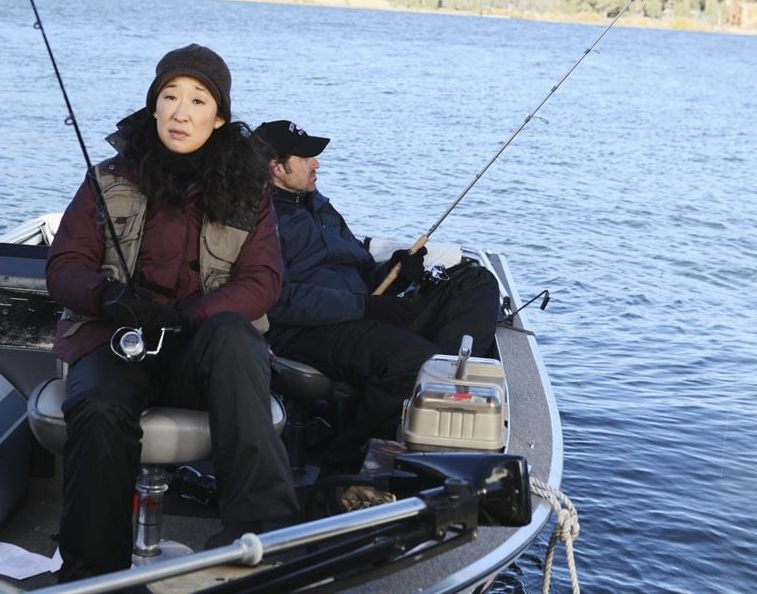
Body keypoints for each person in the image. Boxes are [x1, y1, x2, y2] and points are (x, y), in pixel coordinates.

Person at [46, 45, 297, 581]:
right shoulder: (108, 177)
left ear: (219, 116)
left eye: (198, 100)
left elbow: (262, 282)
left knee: (234, 337)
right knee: (96, 407)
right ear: (154, 107)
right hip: (116, 342)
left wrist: (191, 317)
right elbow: (65, 265)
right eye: (170, 97)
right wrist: (106, 297)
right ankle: (93, 576)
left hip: (198, 350)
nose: (181, 112)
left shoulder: (249, 190)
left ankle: (259, 540)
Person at [253, 119, 501, 473]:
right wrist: (365, 306)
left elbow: (360, 267)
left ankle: (442, 404)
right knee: (413, 360)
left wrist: (396, 273)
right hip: (309, 331)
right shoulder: (260, 218)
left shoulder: (319, 207)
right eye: (306, 157)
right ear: (276, 167)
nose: (316, 163)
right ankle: (346, 463)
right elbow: (277, 299)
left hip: (363, 312)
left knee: (474, 282)